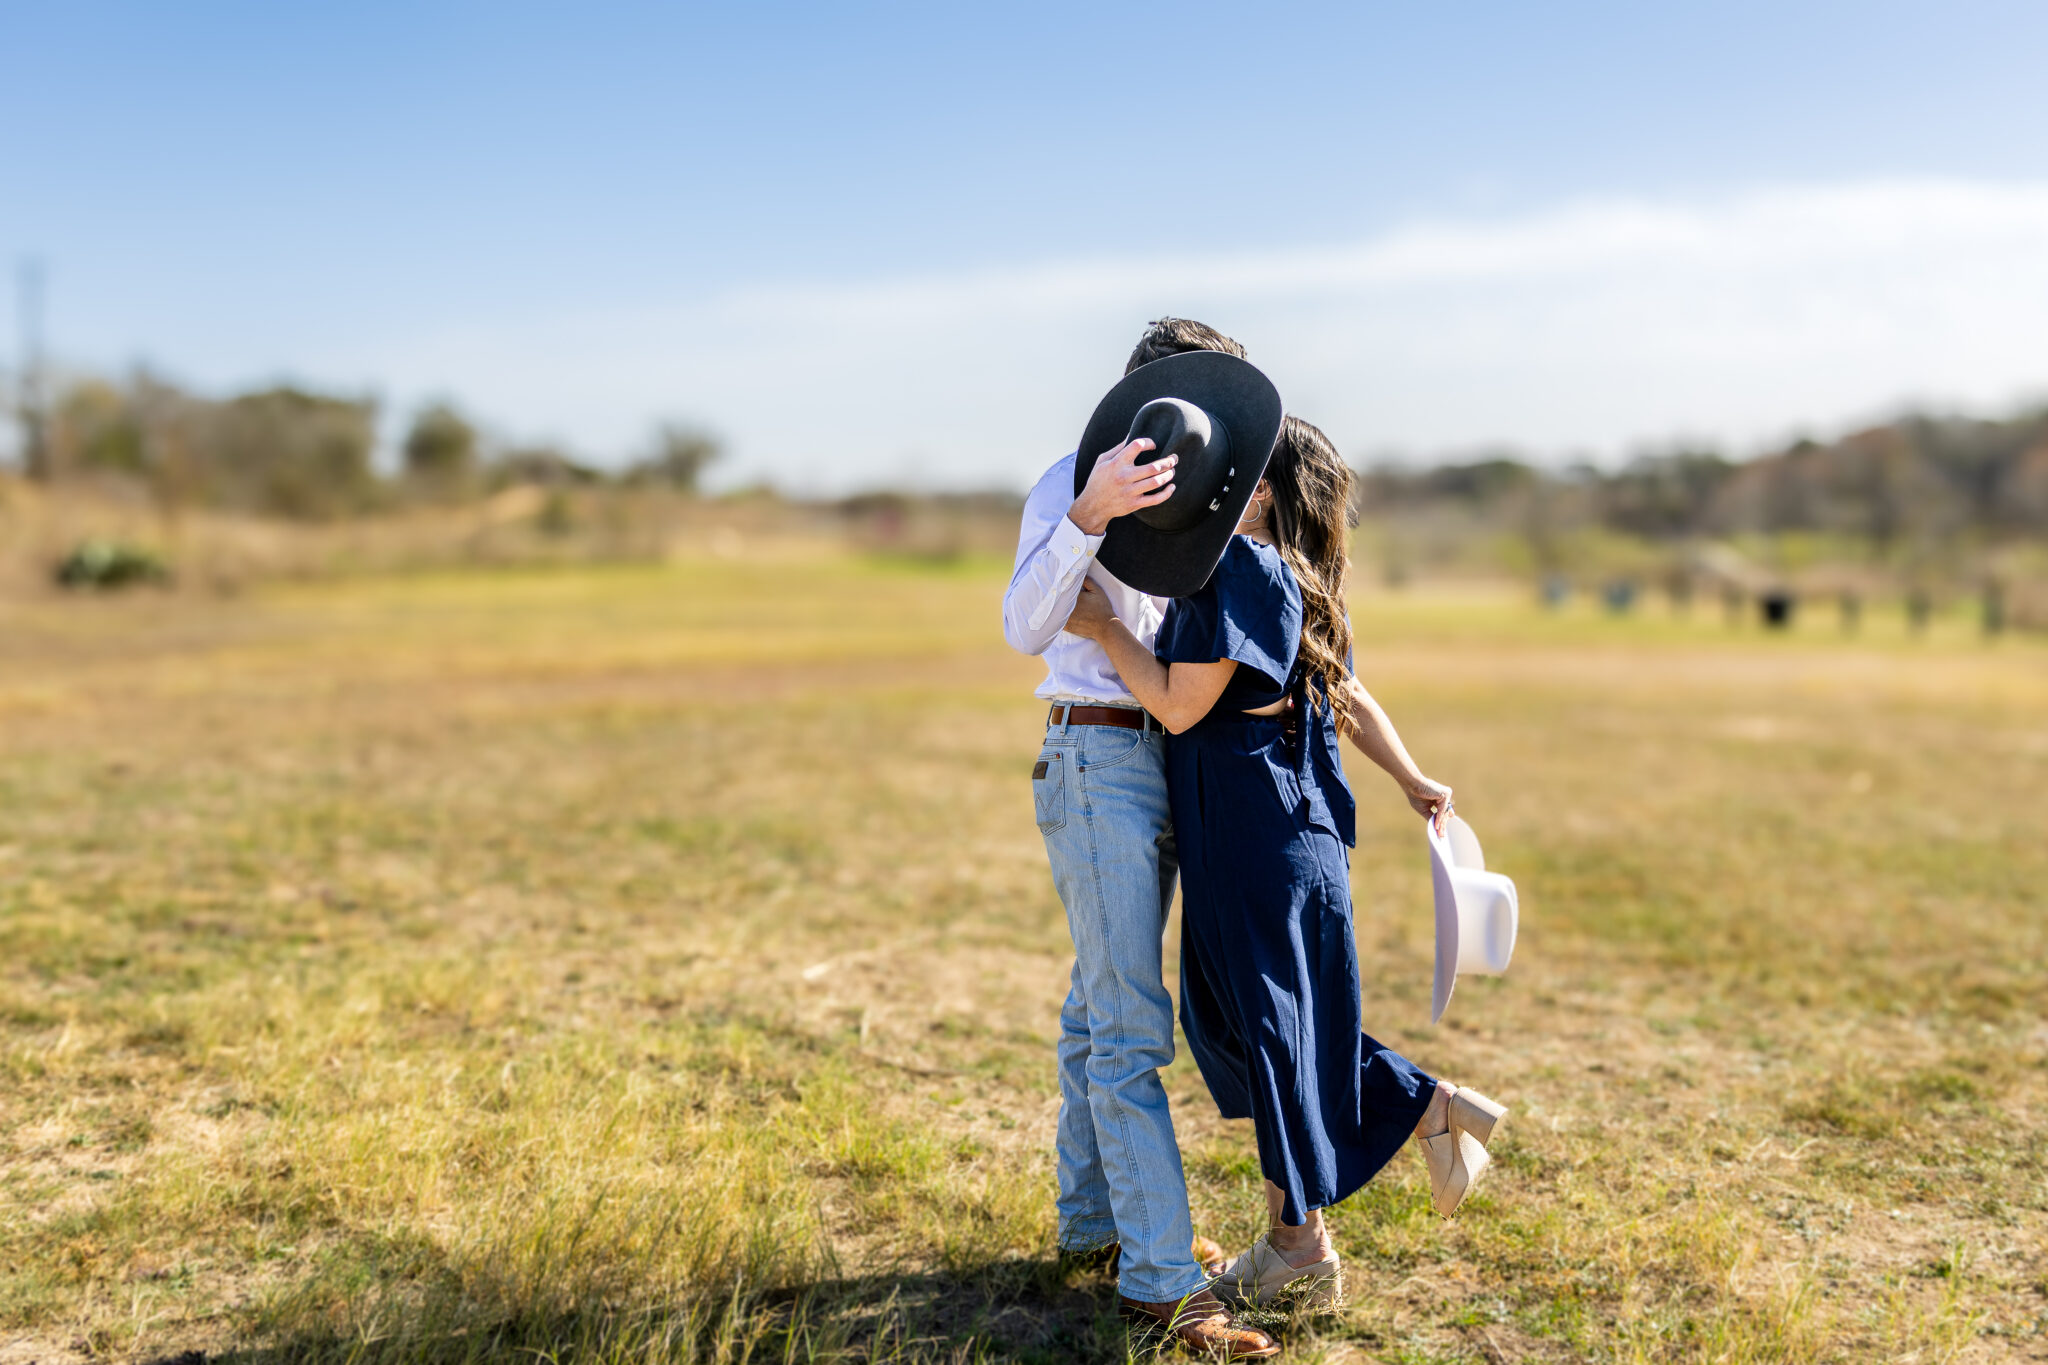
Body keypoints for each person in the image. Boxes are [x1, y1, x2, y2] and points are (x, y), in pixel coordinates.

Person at [1063, 415, 1509, 1311]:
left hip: (1251, 834)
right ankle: (1422, 1115)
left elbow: (1184, 708)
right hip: (1295, 834)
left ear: (1259, 492)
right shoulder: (1300, 577)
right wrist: (1412, 777)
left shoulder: (1238, 567)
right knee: (1254, 1026)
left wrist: (1106, 630)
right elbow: (1347, 692)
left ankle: (1300, 1245)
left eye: (1232, 475)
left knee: (1264, 1033)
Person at [1002, 320, 1279, 1360]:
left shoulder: (1211, 503)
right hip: (1092, 761)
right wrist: (1084, 516)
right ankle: (1162, 1286)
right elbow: (1024, 626)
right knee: (1127, 1029)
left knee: (1095, 1005)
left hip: (1170, 761)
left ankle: (1096, 1224)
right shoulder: (1063, 485)